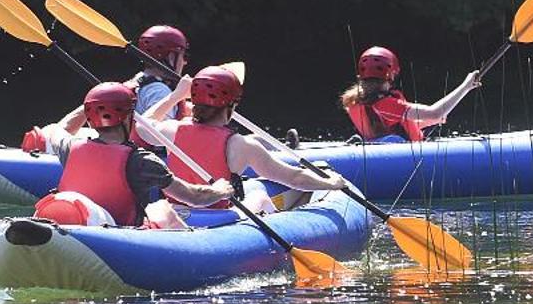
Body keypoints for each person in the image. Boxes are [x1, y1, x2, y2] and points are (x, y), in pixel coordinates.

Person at [141, 65, 351, 228]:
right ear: (232, 105)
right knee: (259, 196)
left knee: (255, 187)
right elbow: (293, 178)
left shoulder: (172, 130)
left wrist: (175, 95)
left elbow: (143, 124)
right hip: (218, 220)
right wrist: (331, 183)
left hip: (176, 214)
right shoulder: (241, 145)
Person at [24, 82, 233, 227]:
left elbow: (60, 128)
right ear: (129, 117)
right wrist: (220, 190)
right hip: (118, 236)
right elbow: (193, 197)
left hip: (71, 225)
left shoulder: (70, 147)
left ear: (90, 118)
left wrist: (93, 102)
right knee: (162, 210)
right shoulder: (141, 161)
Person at [339, 46, 482, 142]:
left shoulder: (354, 100)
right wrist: (466, 86)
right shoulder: (385, 104)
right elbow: (435, 112)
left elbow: (390, 129)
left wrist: (429, 121)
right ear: (392, 74)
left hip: (382, 153)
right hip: (401, 156)